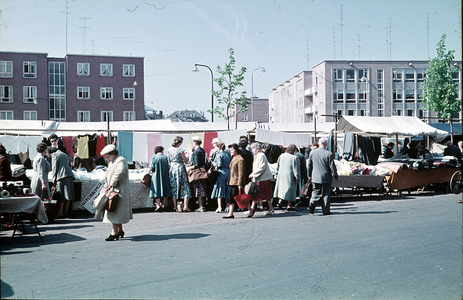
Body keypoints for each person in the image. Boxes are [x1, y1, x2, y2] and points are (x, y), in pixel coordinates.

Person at [96, 144, 133, 241]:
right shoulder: (114, 161)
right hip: (115, 190)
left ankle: (114, 232)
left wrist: (112, 183)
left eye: (108, 157)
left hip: (118, 191)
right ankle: (119, 230)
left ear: (113, 154)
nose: (107, 159)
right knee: (115, 211)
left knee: (114, 211)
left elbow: (119, 172)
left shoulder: (120, 160)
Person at [308, 137, 339, 215]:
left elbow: (309, 165)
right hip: (326, 177)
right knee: (326, 194)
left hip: (315, 176)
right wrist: (336, 176)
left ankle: (312, 202)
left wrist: (309, 175)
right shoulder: (329, 154)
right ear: (326, 144)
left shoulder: (312, 153)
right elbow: (332, 166)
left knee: (315, 191)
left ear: (318, 144)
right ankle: (326, 210)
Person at [247, 142, 275, 217]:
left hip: (262, 178)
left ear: (257, 148)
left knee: (257, 194)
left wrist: (253, 174)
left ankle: (252, 209)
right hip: (262, 178)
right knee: (265, 193)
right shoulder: (259, 155)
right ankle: (270, 208)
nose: (252, 150)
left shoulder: (261, 155)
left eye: (253, 148)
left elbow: (261, 167)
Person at [167, 136, 192, 212]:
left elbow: (169, 160)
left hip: (172, 168)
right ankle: (185, 206)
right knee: (185, 186)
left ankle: (174, 206)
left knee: (174, 186)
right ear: (180, 143)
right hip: (180, 168)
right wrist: (187, 156)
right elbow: (186, 161)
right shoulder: (181, 150)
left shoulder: (169, 150)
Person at [273, 144, 301, 212]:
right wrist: (298, 179)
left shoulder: (281, 156)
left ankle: (280, 202)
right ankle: (289, 205)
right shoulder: (294, 158)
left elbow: (278, 166)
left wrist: (276, 175)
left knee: (282, 189)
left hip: (281, 175)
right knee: (290, 190)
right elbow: (296, 170)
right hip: (290, 176)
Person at [50, 147, 75, 218]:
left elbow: (54, 167)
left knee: (62, 195)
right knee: (68, 195)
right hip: (69, 175)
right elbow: (70, 166)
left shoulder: (55, 155)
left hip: (61, 176)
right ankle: (66, 212)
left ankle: (60, 213)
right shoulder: (65, 155)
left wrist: (53, 178)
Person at [223, 143, 246, 219]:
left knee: (237, 198)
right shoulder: (234, 157)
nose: (231, 151)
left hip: (236, 182)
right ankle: (231, 213)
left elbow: (241, 172)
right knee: (231, 198)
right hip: (231, 181)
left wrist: (240, 184)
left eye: (232, 150)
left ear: (236, 150)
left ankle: (250, 209)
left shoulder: (240, 159)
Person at [211, 141, 231, 212]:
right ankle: (227, 206)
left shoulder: (219, 155)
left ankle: (219, 207)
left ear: (218, 147)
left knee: (220, 189)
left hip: (221, 173)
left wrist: (214, 164)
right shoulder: (228, 155)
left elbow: (219, 165)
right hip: (229, 172)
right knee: (228, 189)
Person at [149, 146, 170, 212]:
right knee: (164, 189)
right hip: (165, 175)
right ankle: (164, 205)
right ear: (161, 150)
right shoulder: (165, 157)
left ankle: (158, 206)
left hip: (156, 176)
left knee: (157, 190)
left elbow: (152, 168)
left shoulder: (154, 157)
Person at [190, 137, 207, 212]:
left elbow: (197, 163)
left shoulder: (196, 151)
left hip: (198, 172)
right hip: (202, 171)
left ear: (195, 142)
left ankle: (201, 206)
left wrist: (189, 168)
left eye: (193, 142)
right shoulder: (202, 150)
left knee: (199, 189)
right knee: (202, 189)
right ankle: (202, 206)